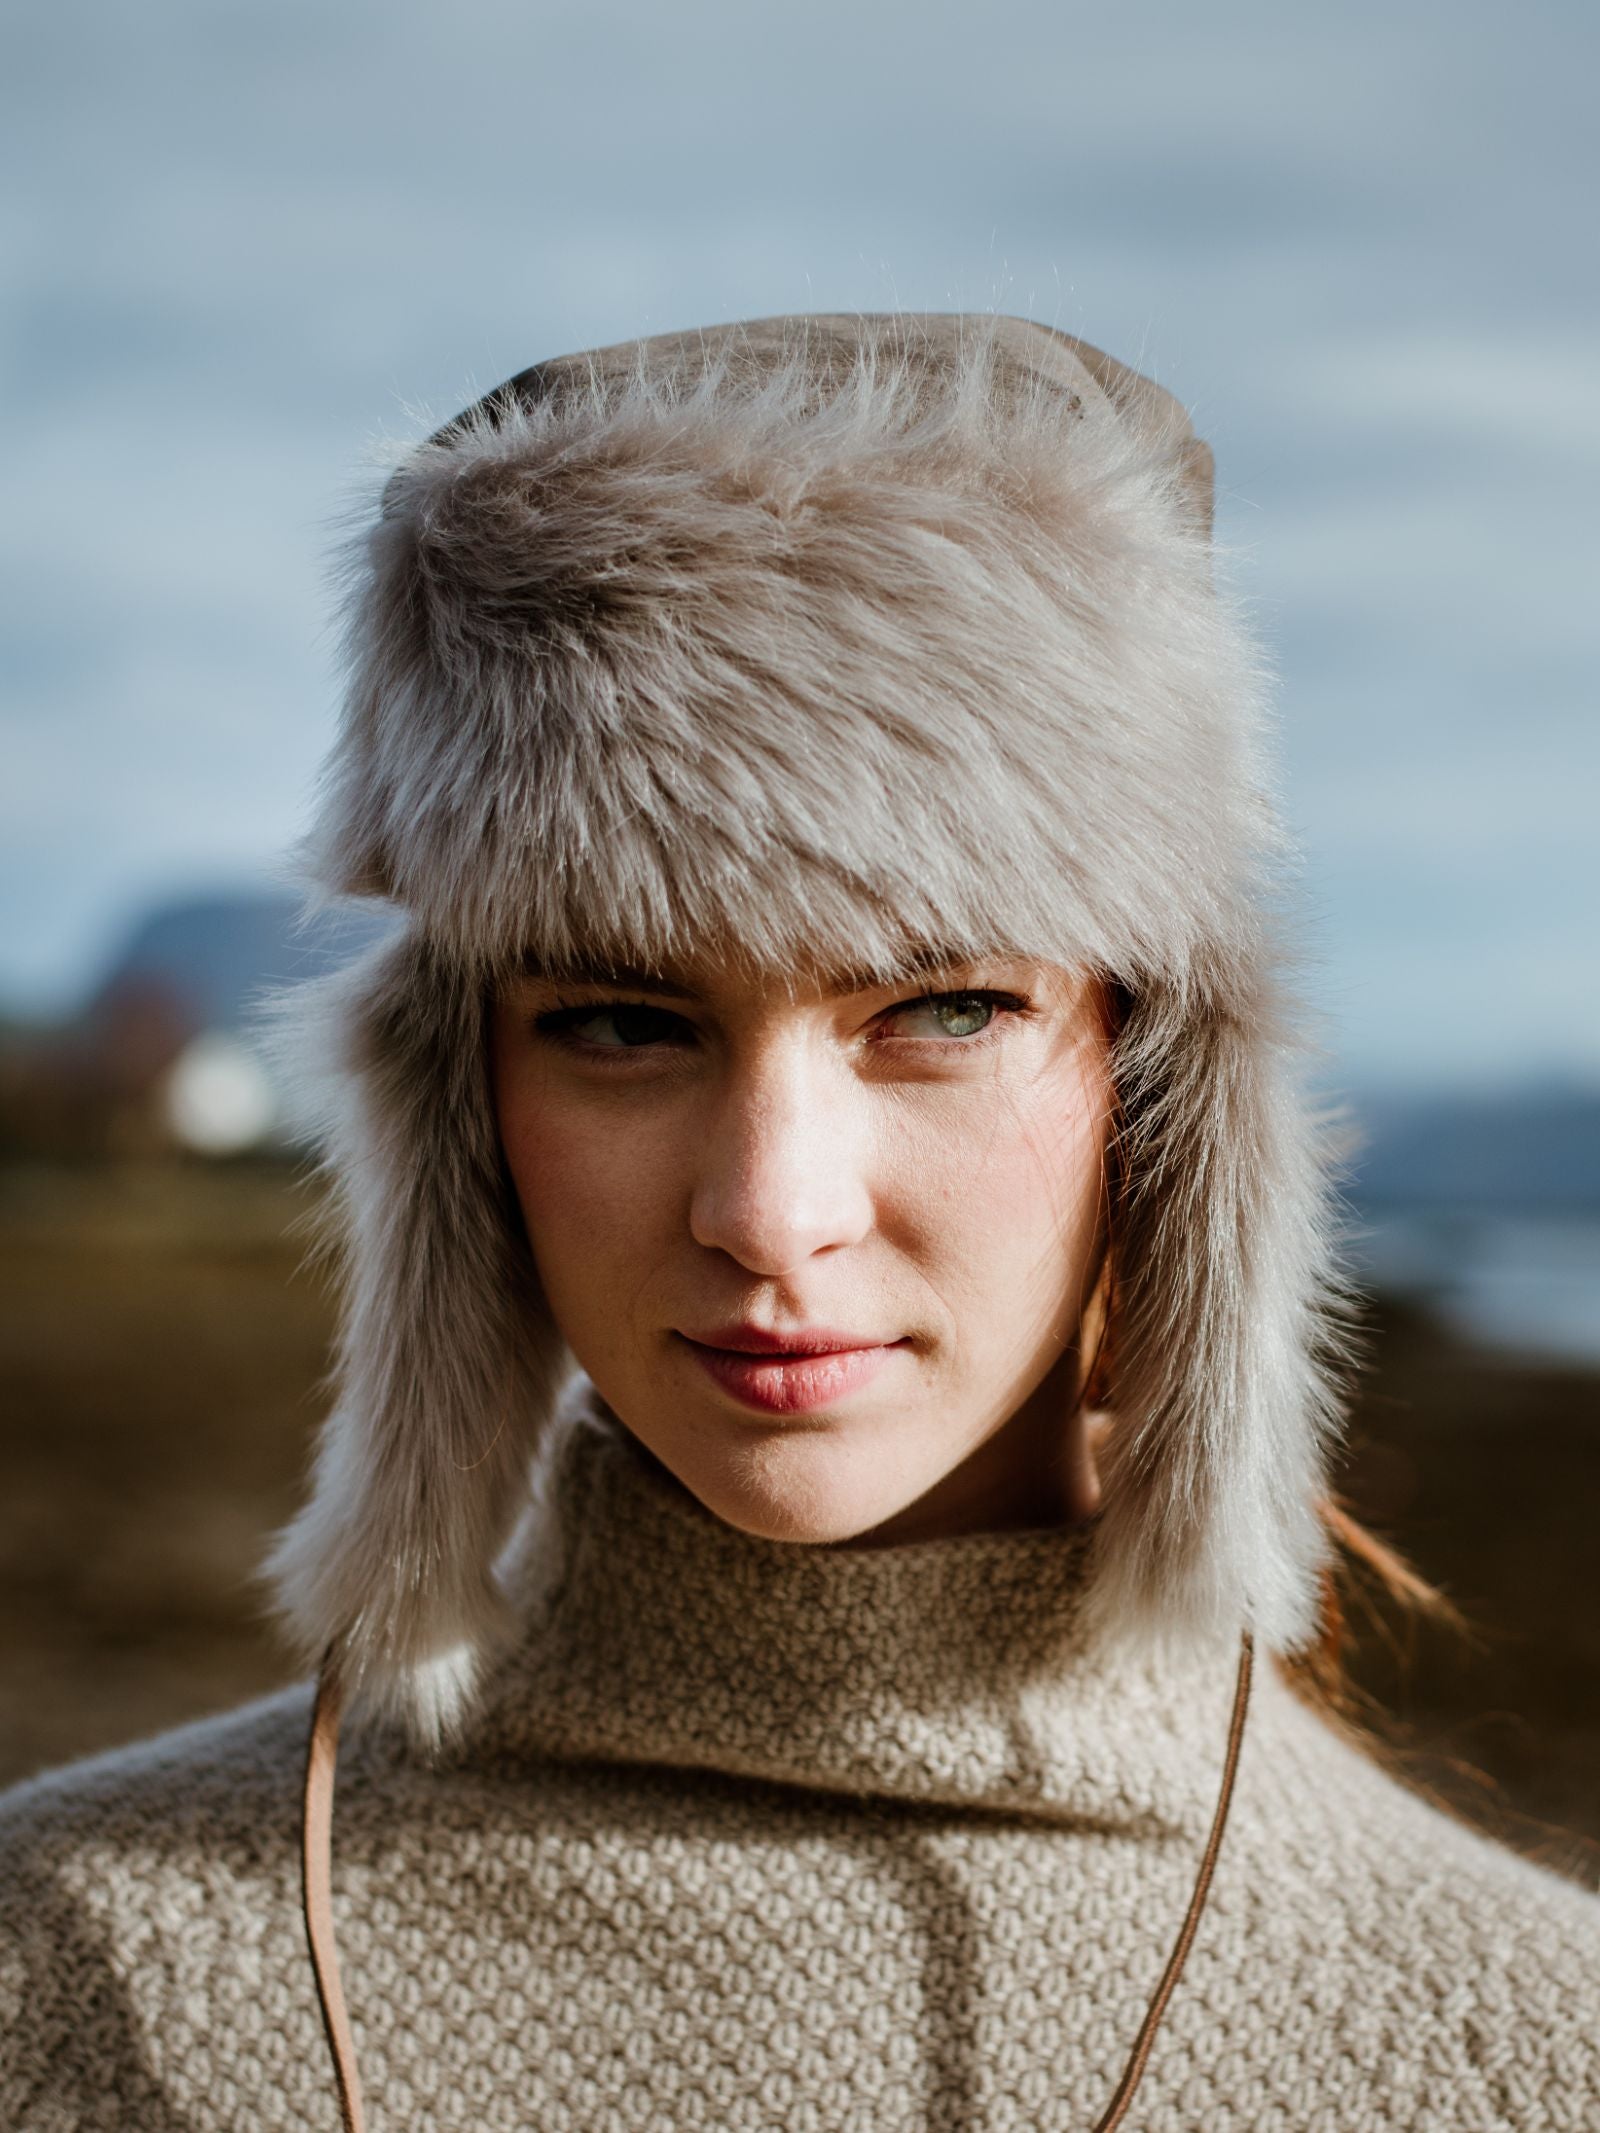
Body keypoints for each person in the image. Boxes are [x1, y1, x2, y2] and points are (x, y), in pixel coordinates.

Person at [1, 311, 1596, 2132]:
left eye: (944, 1009)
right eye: (623, 1022)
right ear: (461, 1108)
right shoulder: (70, 1974)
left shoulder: (1527, 2056)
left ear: (1159, 1090)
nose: (771, 1211)